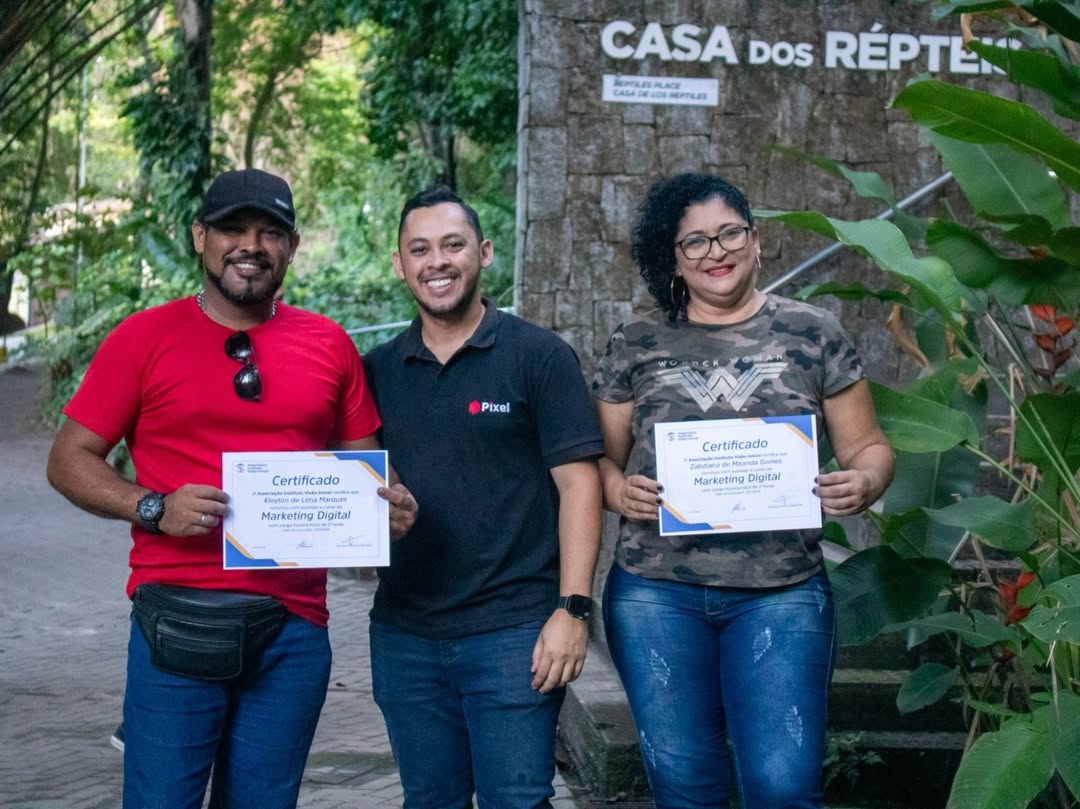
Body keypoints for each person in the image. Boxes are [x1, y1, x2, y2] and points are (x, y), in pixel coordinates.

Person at [46, 168, 417, 809]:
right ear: (200, 237)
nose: (252, 245)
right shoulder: (143, 338)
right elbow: (68, 460)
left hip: (294, 630)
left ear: (292, 247)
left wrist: (388, 510)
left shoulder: (328, 343)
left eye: (271, 232)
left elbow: (366, 474)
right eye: (233, 229)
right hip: (177, 619)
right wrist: (152, 506)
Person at [592, 173, 895, 809]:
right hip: (656, 595)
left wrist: (864, 480)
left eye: (729, 233)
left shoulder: (814, 333)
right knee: (684, 787)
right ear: (672, 259)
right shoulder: (636, 343)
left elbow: (870, 447)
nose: (715, 251)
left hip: (781, 594)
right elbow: (599, 462)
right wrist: (621, 494)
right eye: (694, 242)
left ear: (756, 241)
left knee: (784, 789)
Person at [361, 185, 604, 808]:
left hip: (513, 630)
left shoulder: (539, 357)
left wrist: (573, 610)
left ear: (484, 252)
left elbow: (580, 484)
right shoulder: (375, 370)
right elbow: (354, 484)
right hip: (404, 632)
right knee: (429, 800)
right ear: (399, 263)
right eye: (419, 249)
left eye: (452, 245)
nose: (436, 262)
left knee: (517, 801)